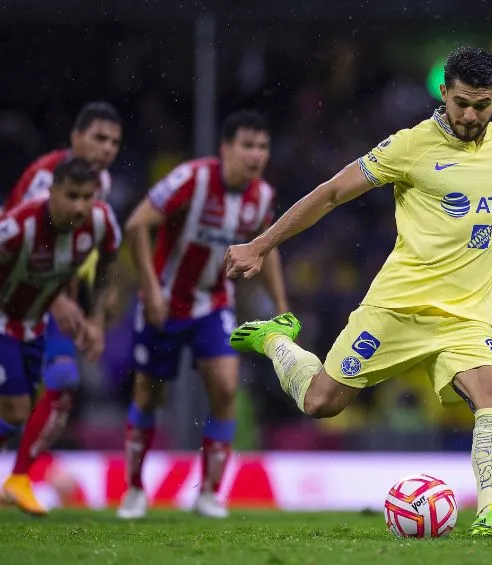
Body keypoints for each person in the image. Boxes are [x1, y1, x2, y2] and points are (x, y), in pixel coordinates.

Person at [225, 46, 492, 536]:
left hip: (465, 318)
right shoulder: (408, 146)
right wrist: (260, 244)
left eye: (481, 105)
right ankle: (275, 341)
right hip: (397, 309)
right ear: (443, 94)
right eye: (460, 103)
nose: (469, 115)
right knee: (322, 402)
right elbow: (331, 193)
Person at [117, 110, 289, 519]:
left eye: (262, 147)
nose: (256, 155)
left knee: (227, 388)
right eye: (247, 145)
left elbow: (268, 248)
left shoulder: (261, 197)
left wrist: (282, 307)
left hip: (212, 305)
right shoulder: (192, 179)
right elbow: (137, 224)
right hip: (164, 303)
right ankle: (134, 490)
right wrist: (152, 288)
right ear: (225, 149)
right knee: (149, 393)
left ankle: (209, 493)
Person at [0, 101, 122, 457]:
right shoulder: (47, 177)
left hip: (49, 295)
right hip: (21, 297)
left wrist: (95, 308)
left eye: (114, 142)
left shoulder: (101, 183)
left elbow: (82, 245)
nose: (107, 149)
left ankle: (20, 479)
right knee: (54, 382)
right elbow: (24, 239)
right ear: (76, 137)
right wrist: (59, 300)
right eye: (99, 138)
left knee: (43, 393)